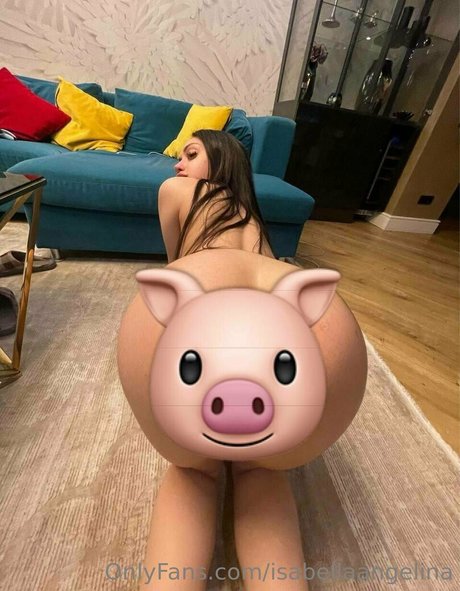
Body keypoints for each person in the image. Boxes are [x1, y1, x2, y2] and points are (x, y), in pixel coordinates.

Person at [117, 130, 367, 590]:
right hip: (315, 318)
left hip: (199, 303)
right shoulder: (252, 214)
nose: (177, 165)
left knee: (194, 470)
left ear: (222, 159)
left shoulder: (177, 191)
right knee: (261, 468)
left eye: (190, 154)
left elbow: (176, 261)